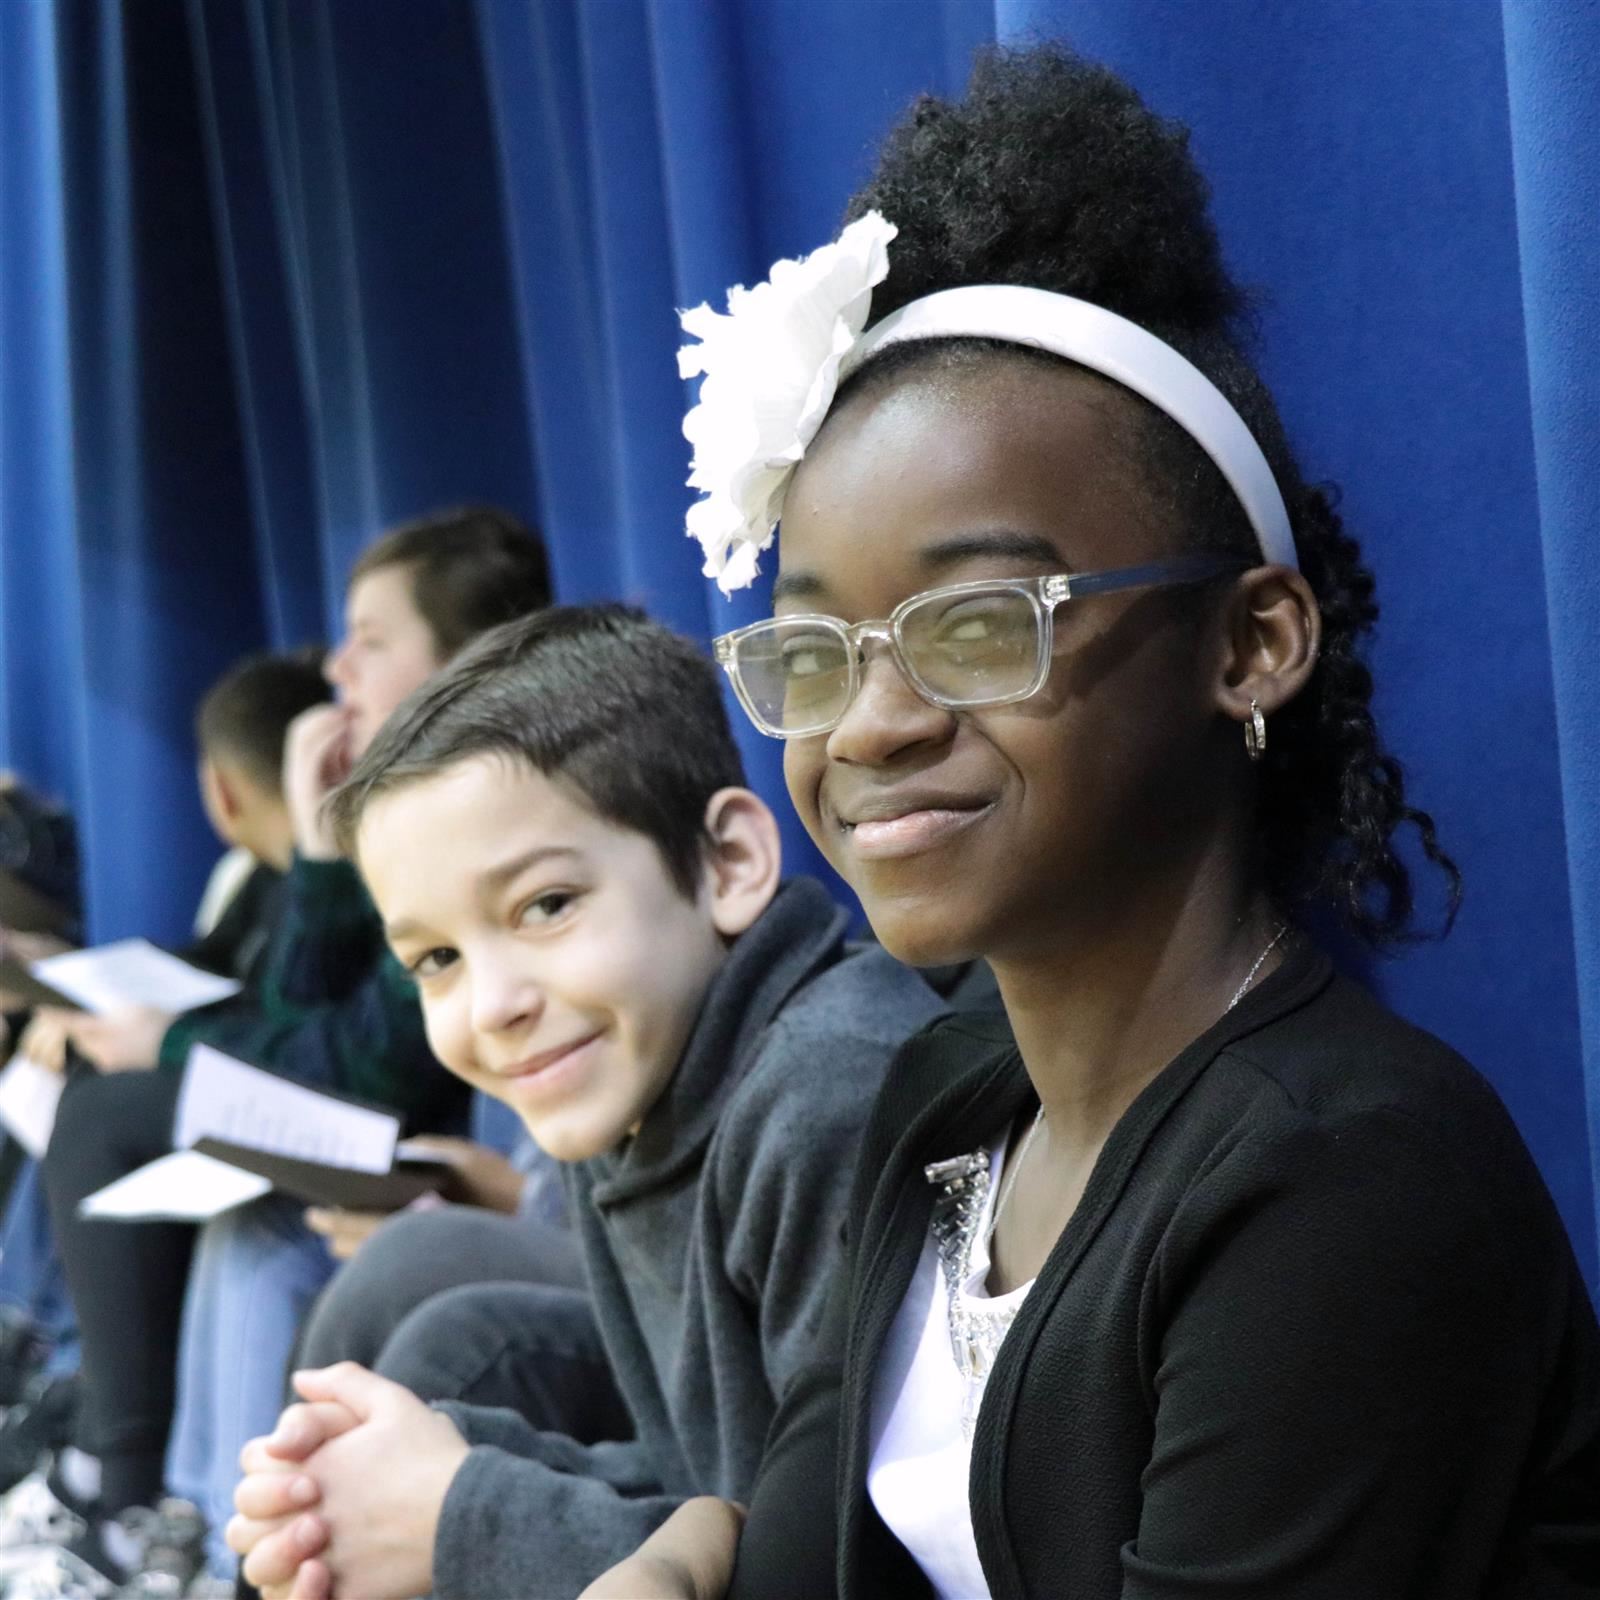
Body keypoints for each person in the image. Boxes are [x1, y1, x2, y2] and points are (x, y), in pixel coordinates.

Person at [583, 44, 1600, 1600]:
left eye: (978, 626)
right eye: (809, 653)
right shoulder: (949, 1101)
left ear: (1249, 643)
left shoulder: (1346, 1181)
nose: (871, 724)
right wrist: (678, 1561)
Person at [225, 605, 949, 1600]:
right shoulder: (618, 1073)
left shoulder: (824, 1096)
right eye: (435, 958)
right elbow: (715, 1482)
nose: (495, 1006)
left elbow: (847, 1564)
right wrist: (400, 1482)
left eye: (546, 905)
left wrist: (464, 1512)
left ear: (729, 862)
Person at [0, 507, 550, 1598]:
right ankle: (183, 1533)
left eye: (369, 638)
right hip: (407, 1148)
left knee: (124, 1116)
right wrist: (312, 844)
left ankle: (140, 1500)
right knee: (243, 1210)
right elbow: (307, 1011)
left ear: (464, 659)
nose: (336, 667)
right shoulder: (383, 813)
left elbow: (367, 1059)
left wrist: (305, 863)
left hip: (457, 1154)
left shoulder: (489, 805)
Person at [0, 649, 332, 1492]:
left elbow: (310, 1032)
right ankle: (36, 1348)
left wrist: (165, 1041)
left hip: (334, 1122)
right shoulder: (260, 879)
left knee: (103, 1115)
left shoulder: (333, 875)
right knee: (56, 1065)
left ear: (221, 791)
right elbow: (216, 966)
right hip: (267, 1088)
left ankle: (115, 1464)